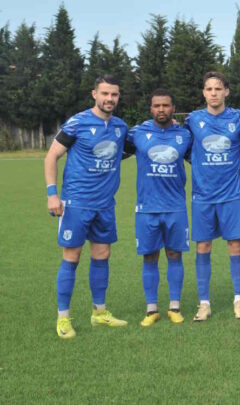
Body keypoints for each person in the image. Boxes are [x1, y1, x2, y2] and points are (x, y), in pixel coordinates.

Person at [44, 75, 129, 339]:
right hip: (76, 203)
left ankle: (99, 313)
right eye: (105, 93)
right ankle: (63, 318)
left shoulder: (120, 127)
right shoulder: (77, 123)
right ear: (94, 94)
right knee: (72, 257)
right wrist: (52, 194)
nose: (109, 99)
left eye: (114, 94)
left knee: (102, 255)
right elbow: (52, 156)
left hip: (105, 205)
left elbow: (130, 149)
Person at [124, 89, 192, 326]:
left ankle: (174, 307)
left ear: (173, 108)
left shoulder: (185, 135)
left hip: (175, 207)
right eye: (156, 106)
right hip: (147, 207)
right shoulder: (137, 133)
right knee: (150, 256)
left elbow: (200, 159)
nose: (161, 110)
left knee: (174, 254)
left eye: (165, 105)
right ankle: (151, 309)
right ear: (150, 108)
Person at [185, 71, 240, 321]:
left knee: (235, 245)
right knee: (203, 246)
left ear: (226, 92)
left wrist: (232, 160)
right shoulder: (193, 119)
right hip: (203, 195)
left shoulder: (238, 118)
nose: (214, 93)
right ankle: (204, 303)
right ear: (204, 92)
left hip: (232, 194)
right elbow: (185, 148)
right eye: (209, 89)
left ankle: (239, 300)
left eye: (218, 89)